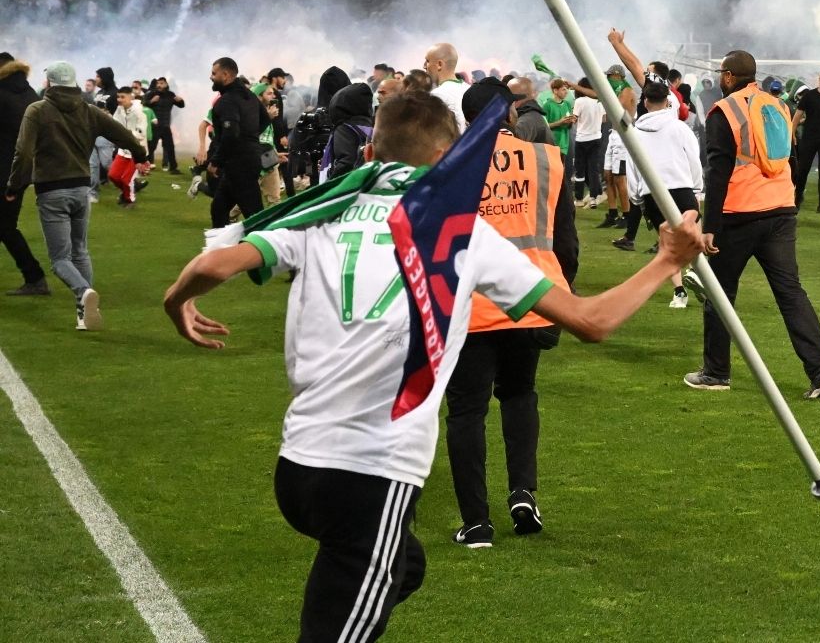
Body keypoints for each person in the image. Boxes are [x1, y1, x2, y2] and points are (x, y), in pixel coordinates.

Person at [162, 90, 702, 641]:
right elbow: (591, 320)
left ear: (372, 150)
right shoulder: (463, 233)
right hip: (372, 474)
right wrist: (667, 261)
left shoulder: (326, 211)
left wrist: (177, 300)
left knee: (403, 566)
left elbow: (219, 260)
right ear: (450, 160)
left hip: (298, 469)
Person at [446, 79, 579, 548]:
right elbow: (564, 238)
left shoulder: (448, 167)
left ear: (468, 120)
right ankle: (523, 492)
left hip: (470, 305)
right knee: (520, 394)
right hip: (531, 296)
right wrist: (566, 293)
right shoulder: (545, 158)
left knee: (467, 412)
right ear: (507, 115)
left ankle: (476, 522)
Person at [682, 50, 820, 399]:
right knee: (791, 293)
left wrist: (710, 226)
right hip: (780, 210)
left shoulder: (725, 111)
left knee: (719, 294)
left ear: (726, 76)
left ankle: (716, 372)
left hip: (739, 214)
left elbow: (718, 171)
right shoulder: (779, 105)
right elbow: (791, 159)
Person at [5, 61, 148, 328]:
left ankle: (84, 292)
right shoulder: (89, 110)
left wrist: (14, 187)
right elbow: (124, 136)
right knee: (80, 251)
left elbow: (23, 153)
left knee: (60, 259)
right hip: (82, 189)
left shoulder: (36, 110)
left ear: (50, 83)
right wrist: (141, 156)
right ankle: (84, 314)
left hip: (51, 190)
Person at [613, 82, 704, 310]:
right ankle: (696, 271)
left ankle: (679, 292)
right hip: (681, 186)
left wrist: (636, 197)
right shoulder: (679, 128)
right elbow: (694, 158)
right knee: (693, 228)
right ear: (668, 101)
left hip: (651, 191)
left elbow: (632, 166)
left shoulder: (633, 132)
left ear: (645, 102)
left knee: (667, 243)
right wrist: (696, 186)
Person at [0, 54, 49, 296]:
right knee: (5, 226)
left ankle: (35, 276)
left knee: (6, 228)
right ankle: (34, 276)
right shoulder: (31, 95)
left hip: (5, 172)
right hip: (23, 172)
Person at [207, 56, 266, 229]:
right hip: (249, 159)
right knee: (218, 208)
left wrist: (216, 161)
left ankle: (267, 251)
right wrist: (250, 139)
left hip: (239, 163)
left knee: (255, 216)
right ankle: (219, 250)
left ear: (225, 75)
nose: (211, 77)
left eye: (213, 73)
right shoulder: (250, 96)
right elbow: (264, 120)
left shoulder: (227, 100)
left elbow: (231, 134)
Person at [790, 69, 820, 213]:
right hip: (808, 139)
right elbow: (796, 118)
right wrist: (792, 135)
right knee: (802, 171)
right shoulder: (809, 96)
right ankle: (796, 201)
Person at [570, 87, 606, 208]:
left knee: (580, 170)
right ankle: (593, 199)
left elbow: (574, 119)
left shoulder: (579, 101)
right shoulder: (599, 100)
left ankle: (579, 199)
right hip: (596, 138)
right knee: (593, 170)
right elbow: (604, 118)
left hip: (581, 139)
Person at [143, 75, 183, 172]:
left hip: (165, 125)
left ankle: (173, 167)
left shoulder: (170, 95)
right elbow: (143, 103)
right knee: (151, 147)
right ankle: (143, 165)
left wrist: (181, 101)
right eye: (158, 83)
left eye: (162, 83)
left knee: (170, 147)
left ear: (166, 84)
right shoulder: (152, 94)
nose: (159, 85)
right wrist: (151, 101)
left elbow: (181, 105)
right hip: (154, 125)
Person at [424, 43, 468, 132]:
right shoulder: (469, 89)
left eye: (427, 61)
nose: (424, 66)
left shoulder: (437, 95)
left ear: (439, 64)